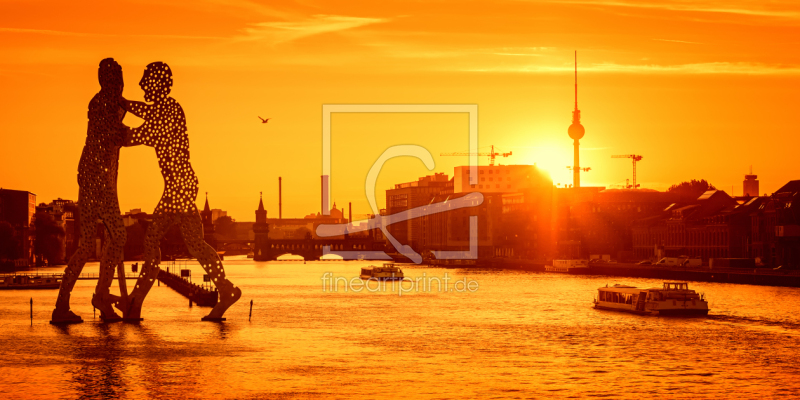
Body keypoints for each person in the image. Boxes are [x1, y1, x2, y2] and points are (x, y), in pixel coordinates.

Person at [120, 62, 241, 321]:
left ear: (158, 84)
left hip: (179, 186)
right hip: (181, 184)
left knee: (152, 242)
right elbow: (145, 112)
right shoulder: (165, 108)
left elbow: (142, 134)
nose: (141, 85)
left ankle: (135, 302)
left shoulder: (169, 110)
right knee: (196, 244)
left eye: (145, 80)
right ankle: (226, 290)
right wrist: (123, 102)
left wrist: (115, 130)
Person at [51, 58, 129, 324]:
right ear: (106, 81)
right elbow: (119, 135)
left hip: (97, 181)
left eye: (119, 78)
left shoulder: (112, 103)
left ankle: (65, 304)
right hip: (95, 182)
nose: (119, 83)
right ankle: (100, 295)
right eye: (115, 78)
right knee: (116, 235)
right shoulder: (102, 105)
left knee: (92, 244)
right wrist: (155, 132)